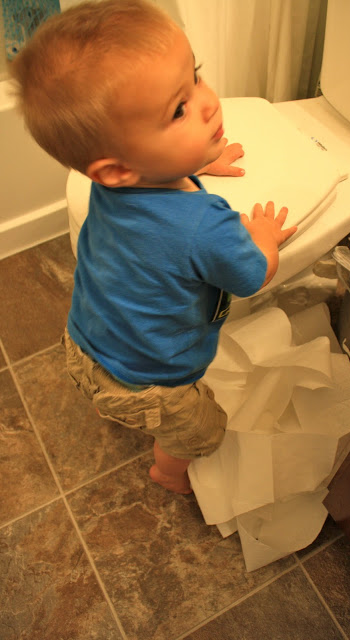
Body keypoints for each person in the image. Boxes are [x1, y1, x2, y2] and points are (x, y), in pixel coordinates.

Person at [10, 0, 296, 494]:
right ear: (118, 168)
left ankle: (114, 405)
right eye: (179, 110)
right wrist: (264, 238)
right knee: (197, 432)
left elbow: (148, 184)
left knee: (121, 395)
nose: (208, 103)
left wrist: (195, 157)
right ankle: (167, 473)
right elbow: (252, 275)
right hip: (155, 383)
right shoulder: (206, 226)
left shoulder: (110, 184)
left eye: (196, 77)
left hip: (82, 344)